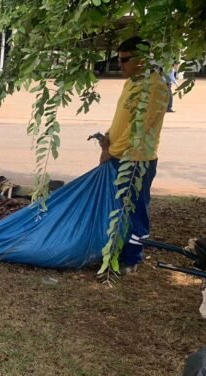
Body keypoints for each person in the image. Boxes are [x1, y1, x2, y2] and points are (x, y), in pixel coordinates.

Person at [98, 37, 169, 275]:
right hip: (118, 155)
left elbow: (139, 129)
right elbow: (122, 118)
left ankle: (131, 258)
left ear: (141, 59)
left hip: (137, 160)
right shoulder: (131, 82)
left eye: (124, 60)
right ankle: (115, 250)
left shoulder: (155, 87)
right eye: (118, 59)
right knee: (119, 207)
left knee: (135, 209)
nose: (119, 65)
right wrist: (108, 137)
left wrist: (111, 152)